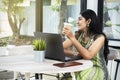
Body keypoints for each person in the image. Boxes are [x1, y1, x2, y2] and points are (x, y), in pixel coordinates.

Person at [62, 9, 110, 80]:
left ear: (88, 21)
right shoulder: (78, 35)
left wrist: (72, 38)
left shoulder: (100, 37)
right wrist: (76, 54)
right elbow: (60, 48)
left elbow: (88, 56)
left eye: (80, 19)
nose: (77, 22)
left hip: (96, 69)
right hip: (81, 66)